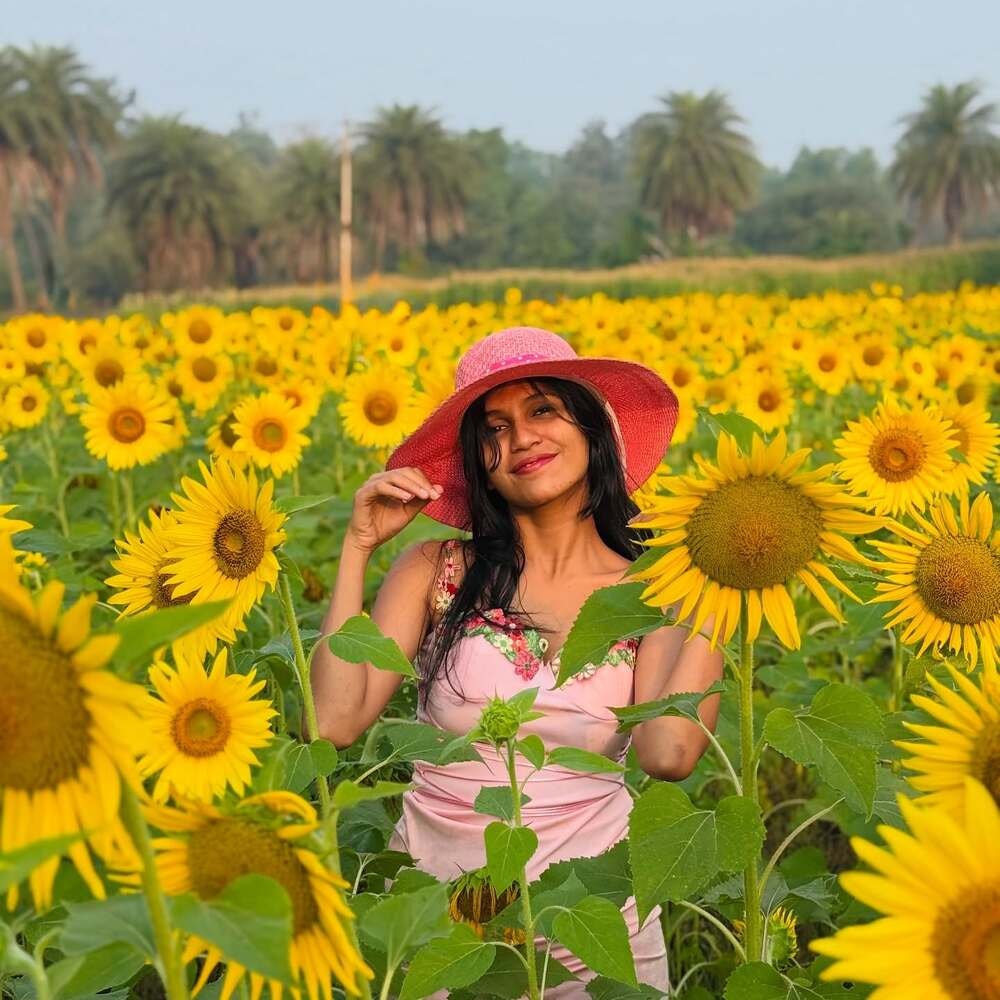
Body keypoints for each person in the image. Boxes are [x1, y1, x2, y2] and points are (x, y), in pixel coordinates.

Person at [311, 326, 724, 996]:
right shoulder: (437, 571)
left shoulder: (657, 590)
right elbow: (334, 719)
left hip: (594, 924)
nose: (520, 440)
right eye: (493, 429)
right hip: (438, 925)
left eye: (541, 412)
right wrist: (356, 548)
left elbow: (669, 753)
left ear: (594, 429)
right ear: (480, 462)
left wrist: (721, 578)